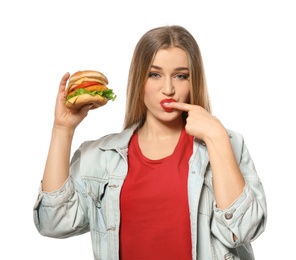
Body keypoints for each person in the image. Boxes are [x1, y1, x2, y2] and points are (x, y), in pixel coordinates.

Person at [33, 25, 267, 259]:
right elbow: (53, 223)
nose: (168, 89)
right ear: (139, 79)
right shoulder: (100, 157)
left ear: (193, 80)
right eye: (154, 74)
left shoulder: (226, 143)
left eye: (180, 75)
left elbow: (245, 230)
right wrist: (62, 129)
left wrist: (216, 137)